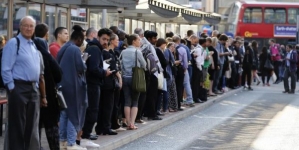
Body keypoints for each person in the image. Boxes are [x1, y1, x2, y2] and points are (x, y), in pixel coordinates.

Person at [2, 16, 43, 150]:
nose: (29, 28)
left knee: (30, 127)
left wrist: (36, 86)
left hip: (32, 88)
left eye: (31, 26)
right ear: (20, 27)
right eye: (26, 25)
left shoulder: (33, 45)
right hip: (18, 87)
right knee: (17, 126)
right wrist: (12, 87)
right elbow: (6, 68)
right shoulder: (14, 43)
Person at [57, 25, 88, 150]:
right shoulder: (75, 49)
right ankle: (71, 143)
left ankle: (62, 141)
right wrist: (84, 60)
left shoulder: (63, 47)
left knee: (64, 114)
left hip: (63, 85)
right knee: (73, 114)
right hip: (73, 86)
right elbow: (81, 67)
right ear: (79, 40)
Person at [34, 23, 62, 150]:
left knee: (36, 125)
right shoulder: (47, 55)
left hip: (33, 94)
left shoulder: (33, 54)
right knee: (51, 125)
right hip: (49, 95)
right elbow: (58, 74)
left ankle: (36, 146)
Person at [82, 28, 112, 145]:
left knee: (91, 110)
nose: (105, 42)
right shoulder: (95, 49)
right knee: (92, 111)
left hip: (92, 83)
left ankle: (86, 134)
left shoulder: (94, 48)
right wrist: (105, 72)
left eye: (107, 40)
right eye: (104, 39)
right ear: (98, 37)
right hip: (92, 84)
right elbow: (93, 69)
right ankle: (85, 135)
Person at [120, 34, 146, 130]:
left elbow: (120, 63)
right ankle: (132, 123)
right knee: (135, 101)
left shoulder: (123, 51)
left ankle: (127, 123)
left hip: (125, 77)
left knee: (127, 100)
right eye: (138, 40)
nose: (140, 42)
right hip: (135, 78)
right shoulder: (137, 52)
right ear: (134, 41)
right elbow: (144, 65)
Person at [173, 35, 188, 110]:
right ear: (179, 41)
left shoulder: (170, 47)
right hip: (180, 69)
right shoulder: (182, 49)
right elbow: (185, 60)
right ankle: (178, 104)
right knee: (179, 87)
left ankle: (173, 105)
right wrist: (185, 68)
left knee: (173, 87)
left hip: (173, 68)